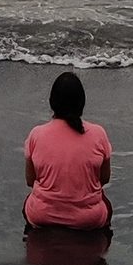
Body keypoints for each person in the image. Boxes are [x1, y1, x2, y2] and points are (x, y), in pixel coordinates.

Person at [23, 71, 112, 237]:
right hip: (88, 220)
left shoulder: (36, 134)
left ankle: (34, 243)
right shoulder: (98, 133)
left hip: (42, 215)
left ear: (52, 102)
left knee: (29, 200)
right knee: (106, 203)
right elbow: (104, 179)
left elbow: (30, 180)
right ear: (82, 103)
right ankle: (99, 248)